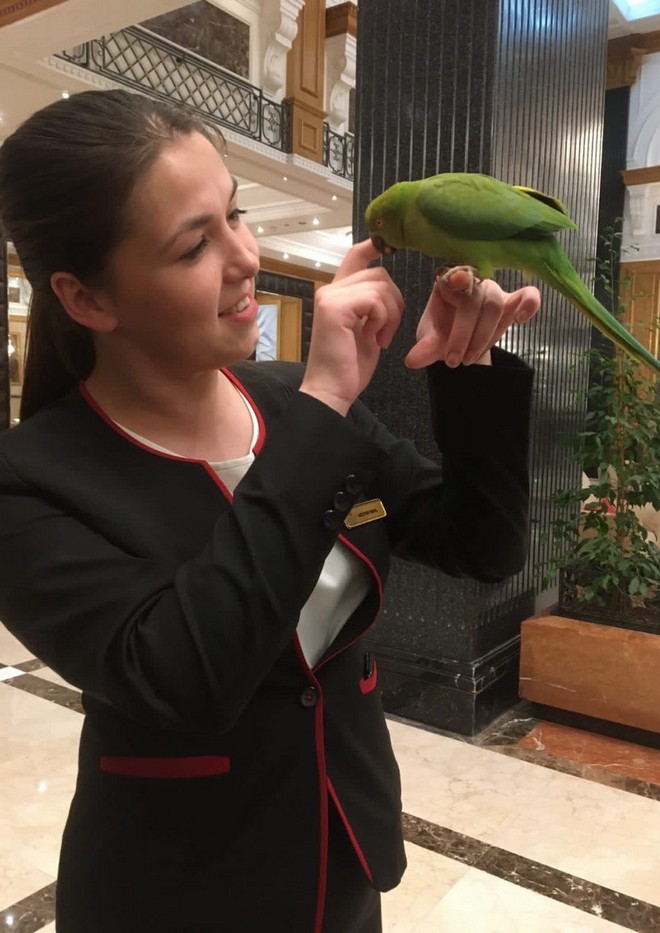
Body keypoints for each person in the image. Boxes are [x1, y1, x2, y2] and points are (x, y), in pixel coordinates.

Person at [0, 89, 539, 933]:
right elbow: (185, 675)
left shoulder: (289, 401)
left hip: (344, 847)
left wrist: (467, 369)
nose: (245, 257)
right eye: (194, 246)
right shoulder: (32, 482)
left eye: (237, 215)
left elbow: (482, 545)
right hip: (181, 892)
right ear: (88, 298)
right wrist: (324, 406)